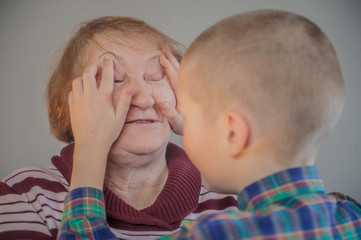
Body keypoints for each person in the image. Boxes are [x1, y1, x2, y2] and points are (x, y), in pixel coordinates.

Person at [58, 9, 361, 239]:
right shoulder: (351, 213)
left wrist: (90, 150)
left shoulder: (212, 232)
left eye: (188, 112)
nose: (149, 100)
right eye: (116, 79)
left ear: (232, 133)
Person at [0, 16, 238, 240]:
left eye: (156, 75)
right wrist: (91, 149)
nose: (144, 99)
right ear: (71, 104)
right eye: (113, 79)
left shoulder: (233, 199)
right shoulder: (23, 194)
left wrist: (203, 129)